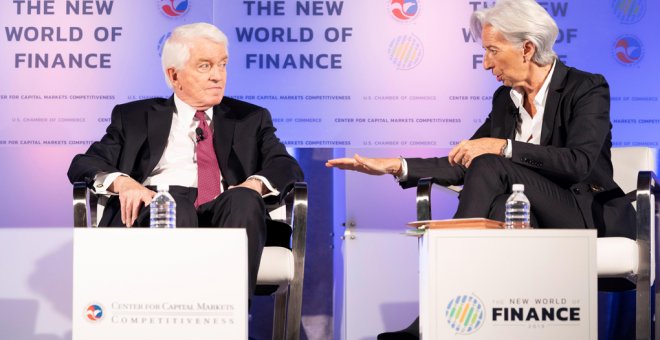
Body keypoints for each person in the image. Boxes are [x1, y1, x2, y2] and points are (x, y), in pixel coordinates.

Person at [326, 0, 635, 338]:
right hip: (527, 217)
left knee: (491, 162)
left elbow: (578, 163)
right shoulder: (505, 100)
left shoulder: (586, 88)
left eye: (492, 50)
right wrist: (396, 165)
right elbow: (463, 164)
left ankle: (431, 317)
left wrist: (505, 146)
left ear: (527, 48)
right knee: (503, 205)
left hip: (582, 215)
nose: (486, 63)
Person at [67, 22, 304, 305]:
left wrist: (254, 184)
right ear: (174, 75)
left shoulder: (251, 118)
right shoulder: (134, 116)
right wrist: (124, 182)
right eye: (205, 66)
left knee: (243, 198)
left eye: (223, 65)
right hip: (157, 206)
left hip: (227, 209)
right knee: (174, 205)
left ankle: (229, 323)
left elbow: (285, 165)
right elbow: (84, 163)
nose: (218, 76)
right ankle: (176, 323)